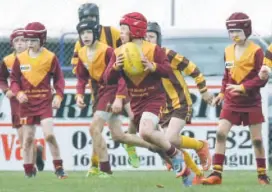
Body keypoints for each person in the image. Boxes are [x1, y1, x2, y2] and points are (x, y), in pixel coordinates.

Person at [104, 12, 189, 181]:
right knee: (148, 138)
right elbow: (108, 79)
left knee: (145, 131)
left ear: (134, 30)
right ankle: (185, 172)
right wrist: (114, 67)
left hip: (154, 98)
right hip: (136, 101)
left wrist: (153, 66)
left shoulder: (153, 50)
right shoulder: (118, 52)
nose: (120, 33)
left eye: (123, 29)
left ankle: (176, 155)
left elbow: (167, 71)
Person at [201, 12, 270, 185]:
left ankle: (262, 175)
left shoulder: (256, 51)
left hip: (251, 102)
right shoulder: (228, 51)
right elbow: (227, 76)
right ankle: (216, 173)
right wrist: (222, 93)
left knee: (257, 140)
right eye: (231, 32)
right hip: (231, 101)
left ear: (247, 30)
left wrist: (243, 87)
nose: (234, 35)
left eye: (237, 31)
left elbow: (262, 79)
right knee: (220, 133)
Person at [73, 3, 139, 176]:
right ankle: (98, 165)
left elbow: (129, 47)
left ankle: (124, 149)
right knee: (106, 131)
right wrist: (80, 93)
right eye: (85, 19)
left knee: (135, 118)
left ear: (97, 18)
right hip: (101, 90)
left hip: (123, 83)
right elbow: (80, 72)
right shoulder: (80, 45)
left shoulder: (112, 34)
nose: (89, 21)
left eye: (92, 18)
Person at [145, 21, 213, 184]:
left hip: (181, 103)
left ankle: (199, 146)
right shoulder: (140, 62)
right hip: (162, 109)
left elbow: (193, 69)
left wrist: (203, 90)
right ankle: (197, 174)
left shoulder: (167, 54)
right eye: (144, 37)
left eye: (152, 37)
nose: (148, 40)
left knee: (169, 140)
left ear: (158, 39)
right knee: (166, 145)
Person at [10, 22, 67, 179]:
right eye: (27, 40)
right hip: (26, 104)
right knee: (27, 139)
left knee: (49, 135)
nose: (29, 44)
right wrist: (18, 92)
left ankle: (59, 168)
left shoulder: (50, 57)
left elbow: (59, 80)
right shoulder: (20, 58)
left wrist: (58, 96)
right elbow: (13, 80)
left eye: (33, 40)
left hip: (44, 102)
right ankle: (29, 170)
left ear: (42, 40)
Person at [0, 28, 44, 172]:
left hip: (30, 103)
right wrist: (6, 90)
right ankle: (36, 152)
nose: (20, 44)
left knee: (27, 137)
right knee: (22, 138)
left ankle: (30, 169)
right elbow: (1, 79)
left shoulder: (35, 58)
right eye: (16, 41)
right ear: (12, 44)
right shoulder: (7, 61)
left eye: (23, 40)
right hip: (15, 104)